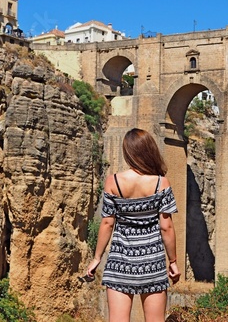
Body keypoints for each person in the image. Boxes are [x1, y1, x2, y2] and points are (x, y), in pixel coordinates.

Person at [86, 128, 181, 322]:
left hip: (119, 262)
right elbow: (166, 227)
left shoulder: (113, 182)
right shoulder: (161, 183)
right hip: (152, 262)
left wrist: (96, 258)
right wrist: (173, 262)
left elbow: (107, 223)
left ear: (128, 152)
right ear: (149, 150)